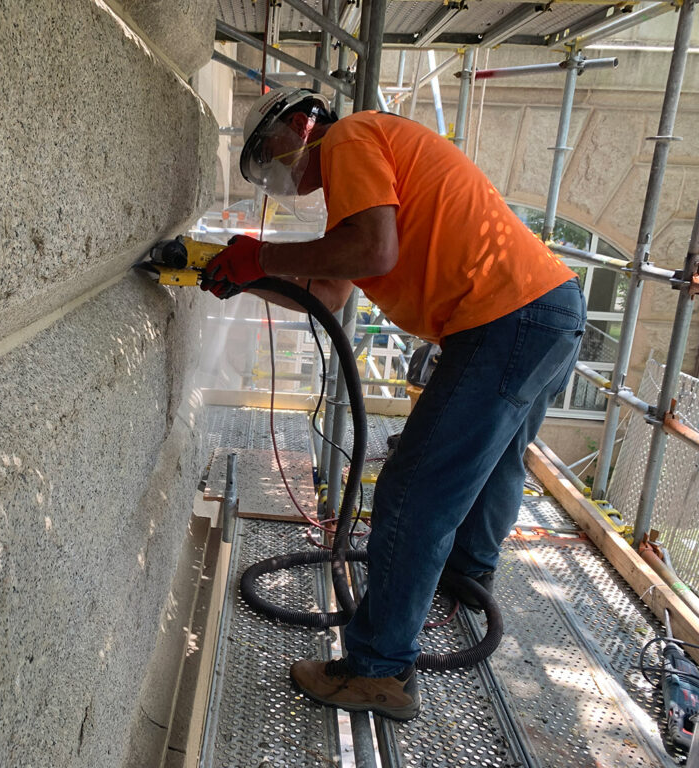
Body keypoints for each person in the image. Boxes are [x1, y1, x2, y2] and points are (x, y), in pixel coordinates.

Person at [202, 87, 585, 722]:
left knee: (413, 490)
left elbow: (374, 253)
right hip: (543, 310)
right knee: (492, 467)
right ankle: (464, 581)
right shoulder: (362, 180)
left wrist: (261, 255)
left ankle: (377, 670)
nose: (277, 176)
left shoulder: (349, 139)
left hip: (504, 319)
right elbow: (328, 291)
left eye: (269, 156)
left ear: (302, 125)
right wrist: (248, 276)